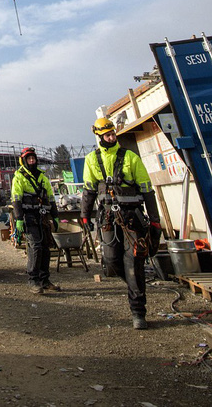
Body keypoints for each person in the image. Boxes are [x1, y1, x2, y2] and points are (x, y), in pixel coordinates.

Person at [81, 118, 162, 330]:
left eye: (112, 134)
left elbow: (146, 189)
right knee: (111, 261)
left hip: (131, 217)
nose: (111, 137)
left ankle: (138, 311)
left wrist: (154, 220)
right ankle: (136, 287)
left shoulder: (130, 158)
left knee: (133, 262)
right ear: (99, 137)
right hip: (108, 218)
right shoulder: (91, 160)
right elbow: (89, 191)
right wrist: (84, 216)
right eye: (107, 135)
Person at [11, 146, 60, 294]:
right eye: (29, 159)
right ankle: (33, 280)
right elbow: (16, 199)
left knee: (45, 247)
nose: (32, 161)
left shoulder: (42, 178)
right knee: (35, 247)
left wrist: (55, 215)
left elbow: (50, 198)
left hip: (42, 216)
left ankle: (45, 280)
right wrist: (19, 218)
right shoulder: (19, 177)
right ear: (23, 161)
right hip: (28, 216)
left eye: (33, 159)